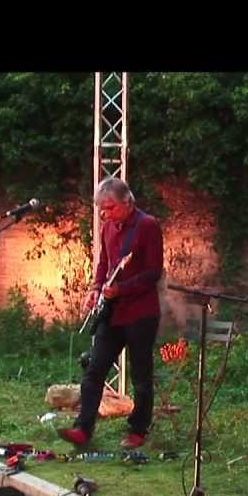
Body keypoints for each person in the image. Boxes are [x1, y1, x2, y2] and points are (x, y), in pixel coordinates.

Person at [58, 178, 164, 449]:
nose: (105, 214)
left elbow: (153, 273)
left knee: (141, 374)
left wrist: (122, 288)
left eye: (110, 208)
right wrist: (95, 289)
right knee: (94, 370)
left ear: (127, 202)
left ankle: (138, 429)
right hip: (113, 313)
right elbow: (104, 264)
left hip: (141, 312)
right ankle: (83, 428)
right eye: (101, 209)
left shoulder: (147, 226)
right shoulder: (107, 227)